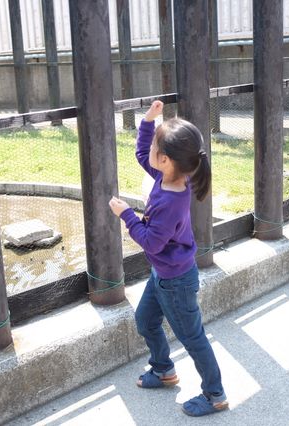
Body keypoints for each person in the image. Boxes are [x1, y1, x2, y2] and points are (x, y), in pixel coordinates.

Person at [109, 101, 228, 417]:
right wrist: (148, 121)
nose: (148, 150)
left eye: (154, 145)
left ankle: (215, 394)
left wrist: (127, 216)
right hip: (164, 275)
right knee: (145, 320)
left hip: (175, 280)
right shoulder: (169, 176)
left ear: (164, 159)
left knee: (193, 337)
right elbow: (140, 155)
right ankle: (163, 370)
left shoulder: (171, 201)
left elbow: (151, 241)